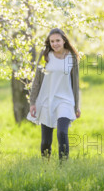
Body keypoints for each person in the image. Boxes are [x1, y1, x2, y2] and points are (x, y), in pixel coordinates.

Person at [28, 28, 81, 162]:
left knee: (62, 132)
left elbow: (75, 83)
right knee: (46, 140)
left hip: (65, 100)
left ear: (64, 41)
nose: (55, 44)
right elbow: (37, 81)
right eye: (52, 41)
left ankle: (63, 167)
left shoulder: (72, 57)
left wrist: (77, 106)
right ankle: (45, 167)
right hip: (46, 100)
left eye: (57, 40)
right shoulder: (45, 56)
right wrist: (33, 102)